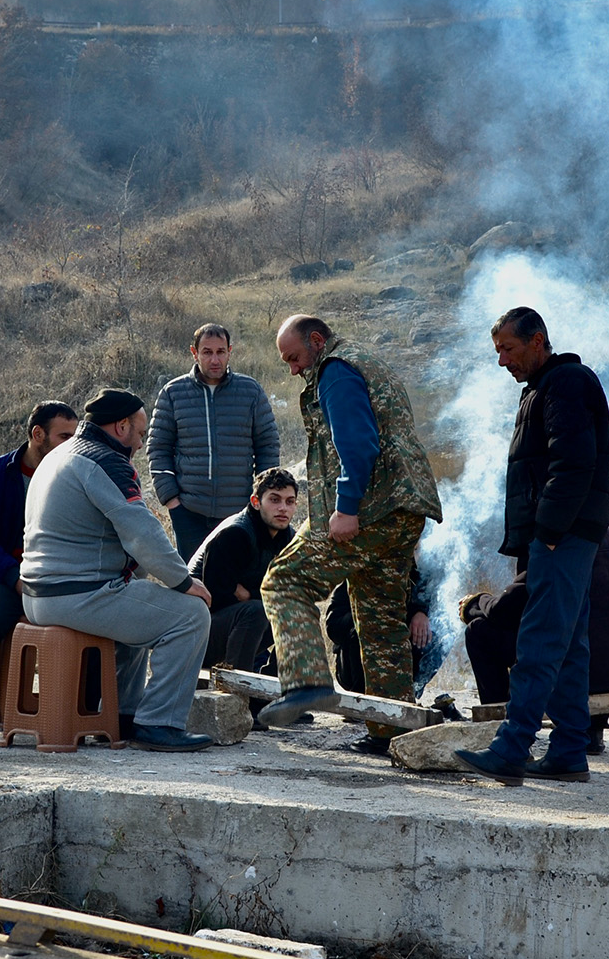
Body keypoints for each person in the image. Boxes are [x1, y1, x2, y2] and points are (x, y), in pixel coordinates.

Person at [256, 315, 443, 741]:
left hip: (369, 510)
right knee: (380, 622)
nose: (293, 369)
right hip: (402, 512)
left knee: (283, 581)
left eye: (295, 357)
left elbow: (357, 443)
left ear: (317, 341)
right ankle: (393, 731)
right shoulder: (365, 363)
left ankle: (307, 683)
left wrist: (346, 507)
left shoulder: (337, 371)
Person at [457, 306, 609, 785]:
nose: (502, 360)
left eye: (508, 348)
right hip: (562, 534)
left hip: (562, 536)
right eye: (498, 350)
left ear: (538, 340)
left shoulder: (566, 383)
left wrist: (546, 532)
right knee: (568, 646)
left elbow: (572, 465)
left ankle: (511, 748)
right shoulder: (546, 388)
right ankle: (568, 750)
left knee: (540, 641)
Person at [20, 388, 216, 752]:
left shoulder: (59, 454)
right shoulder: (104, 460)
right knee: (190, 615)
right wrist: (183, 581)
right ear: (121, 426)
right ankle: (159, 723)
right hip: (77, 594)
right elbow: (141, 531)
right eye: (140, 434)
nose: (141, 444)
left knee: (145, 606)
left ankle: (124, 716)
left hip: (38, 595)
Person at [457, 529, 609, 755]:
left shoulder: (556, 541)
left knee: (479, 632)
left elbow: (506, 610)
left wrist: (474, 603)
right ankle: (592, 730)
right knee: (597, 628)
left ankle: (501, 733)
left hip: (594, 673)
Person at [0, 400, 79, 729]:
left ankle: (89, 707)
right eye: (64, 436)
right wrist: (13, 577)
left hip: (66, 578)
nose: (73, 444)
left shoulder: (79, 474)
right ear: (38, 434)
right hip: (10, 577)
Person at [148, 323, 282, 560]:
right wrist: (171, 500)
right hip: (189, 511)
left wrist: (264, 495)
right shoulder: (173, 393)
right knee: (196, 583)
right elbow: (158, 448)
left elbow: (267, 446)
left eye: (221, 352)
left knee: (237, 583)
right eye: (207, 352)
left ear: (229, 351)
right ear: (194, 353)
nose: (215, 359)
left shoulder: (250, 391)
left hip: (240, 510)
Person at [326, 560, 447, 754]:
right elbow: (333, 626)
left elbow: (437, 609)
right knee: (366, 630)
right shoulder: (361, 569)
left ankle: (409, 692)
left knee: (442, 630)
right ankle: (367, 703)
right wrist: (371, 615)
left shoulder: (424, 573)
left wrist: (419, 612)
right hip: (354, 671)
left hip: (402, 667)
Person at [189, 468, 299, 674]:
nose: (283, 508)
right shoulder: (235, 534)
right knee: (256, 611)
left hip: (236, 625)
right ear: (256, 502)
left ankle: (276, 690)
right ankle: (236, 689)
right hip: (195, 633)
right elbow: (216, 596)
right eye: (274, 500)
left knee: (295, 613)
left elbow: (289, 594)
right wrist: (260, 596)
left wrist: (247, 593)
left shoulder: (288, 539)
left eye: (289, 502)